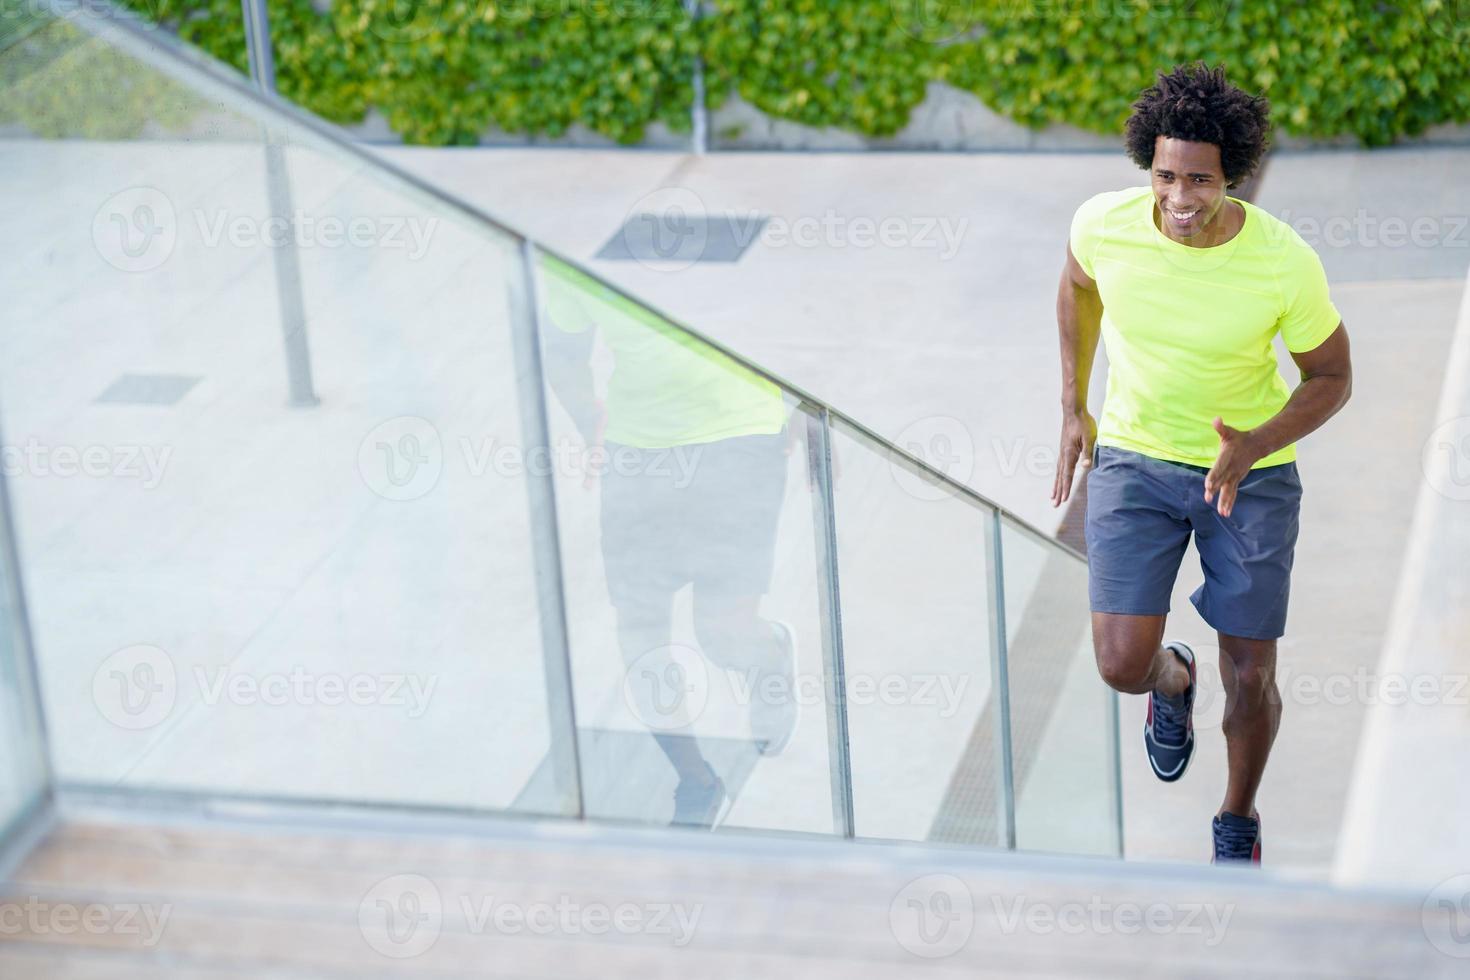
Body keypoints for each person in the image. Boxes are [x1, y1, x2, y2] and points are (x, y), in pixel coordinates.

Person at [1051, 63, 1353, 864]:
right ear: (1146, 164)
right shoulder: (1105, 224)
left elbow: (1333, 376)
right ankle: (1173, 681)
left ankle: (1237, 817)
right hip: (1134, 460)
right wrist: (1072, 404)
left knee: (1251, 673)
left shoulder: (1282, 262)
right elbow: (1078, 286)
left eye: (1201, 181)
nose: (1180, 199)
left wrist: (1254, 442)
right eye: (1165, 176)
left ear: (1235, 176)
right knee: (1121, 665)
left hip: (1248, 479)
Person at [539, 254, 800, 830]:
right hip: (637, 455)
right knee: (641, 642)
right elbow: (561, 352)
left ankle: (769, 656)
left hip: (738, 439)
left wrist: (801, 404)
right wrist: (592, 425)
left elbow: (793, 303)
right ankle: (695, 779)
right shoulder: (576, 250)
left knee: (722, 633)